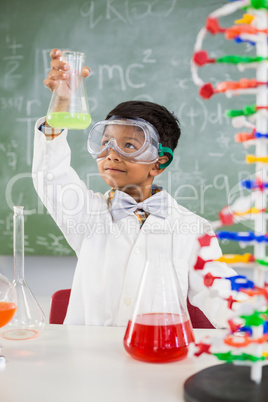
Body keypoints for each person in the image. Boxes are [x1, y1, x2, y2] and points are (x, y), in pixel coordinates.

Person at [32, 49, 237, 327]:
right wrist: (62, 104)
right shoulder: (86, 214)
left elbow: (218, 292)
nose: (111, 153)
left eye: (129, 145)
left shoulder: (194, 228)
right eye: (105, 142)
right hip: (86, 361)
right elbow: (51, 175)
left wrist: (251, 321)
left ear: (158, 162)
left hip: (157, 356)